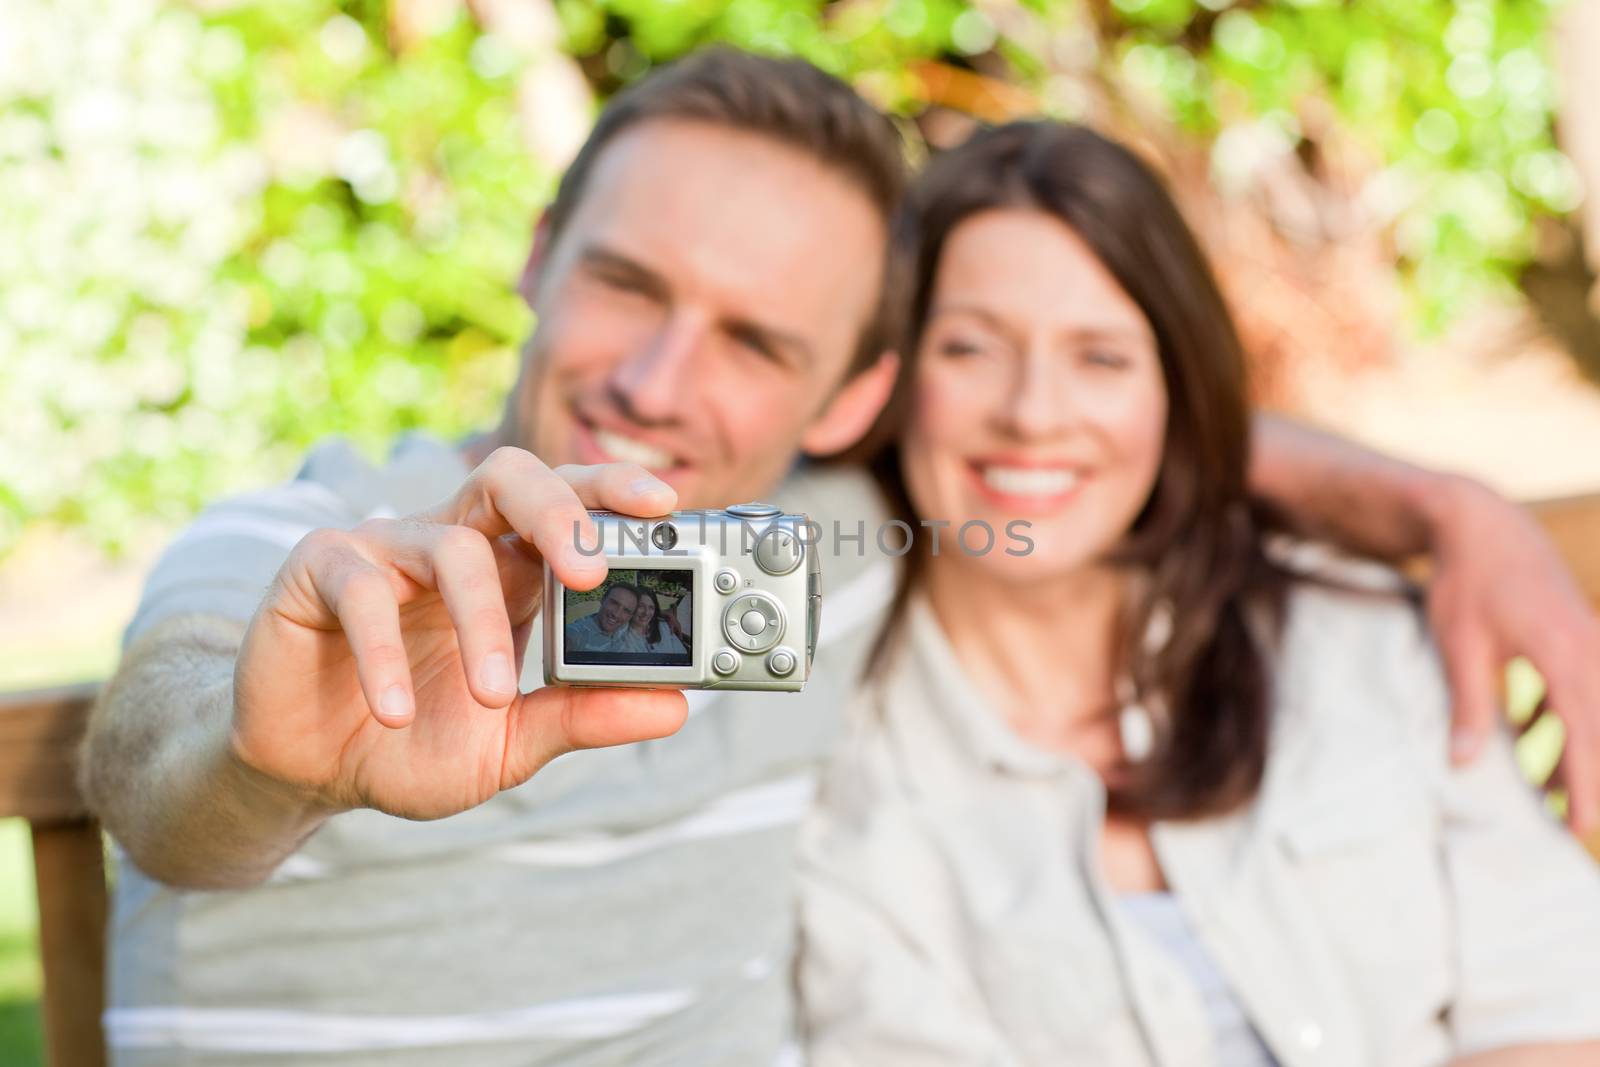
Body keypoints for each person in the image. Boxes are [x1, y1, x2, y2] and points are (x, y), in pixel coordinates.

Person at [78, 47, 1600, 1067]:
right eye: (627, 282)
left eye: (758, 338)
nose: (663, 381)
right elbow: (164, 768)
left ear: (854, 395)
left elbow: (1079, 444)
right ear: (540, 250)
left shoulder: (820, 556)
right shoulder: (330, 550)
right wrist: (270, 762)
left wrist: (1447, 509)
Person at [797, 121, 1600, 1066]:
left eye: (1102, 357)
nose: (1034, 413)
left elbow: (1552, 1015)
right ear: (890, 378)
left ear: (1175, 388)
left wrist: (1459, 509)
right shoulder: (831, 760)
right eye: (970, 349)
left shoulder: (1354, 637)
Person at [565, 582, 639, 652]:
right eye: (614, 603)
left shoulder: (627, 631)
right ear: (603, 599)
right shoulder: (577, 633)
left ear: (630, 616)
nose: (616, 614)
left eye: (626, 611)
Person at [624, 586, 689, 656]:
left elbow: (682, 654)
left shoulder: (663, 626)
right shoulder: (623, 638)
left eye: (651, 607)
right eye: (641, 606)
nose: (646, 613)